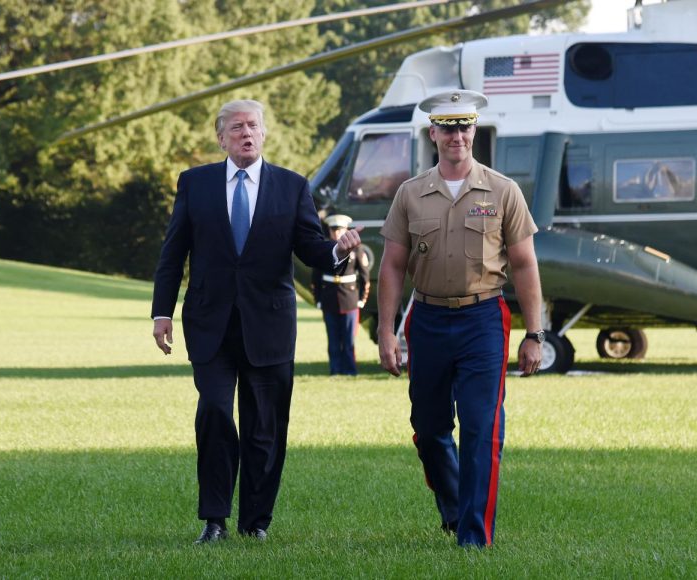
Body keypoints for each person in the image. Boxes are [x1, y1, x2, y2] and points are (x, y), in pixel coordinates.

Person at [151, 99, 362, 544]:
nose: (246, 133)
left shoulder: (291, 186)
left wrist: (339, 251)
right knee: (213, 411)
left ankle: (256, 523)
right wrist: (161, 312)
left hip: (269, 325)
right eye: (236, 127)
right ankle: (214, 519)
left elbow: (310, 248)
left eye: (253, 126)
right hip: (210, 324)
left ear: (264, 134)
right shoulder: (196, 184)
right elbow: (173, 253)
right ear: (221, 137)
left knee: (265, 427)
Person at [376, 90, 544, 548]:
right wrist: (386, 330)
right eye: (446, 127)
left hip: (483, 319)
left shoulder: (503, 190)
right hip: (427, 320)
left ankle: (474, 535)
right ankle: (454, 507)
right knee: (429, 431)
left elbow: (525, 264)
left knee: (480, 428)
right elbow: (391, 265)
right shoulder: (410, 194)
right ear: (432, 133)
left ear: (474, 131)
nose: (456, 135)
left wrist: (535, 333)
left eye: (464, 126)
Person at [310, 214, 371, 375]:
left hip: (350, 300)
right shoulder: (324, 249)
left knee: (349, 339)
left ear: (346, 230)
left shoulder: (357, 249)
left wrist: (361, 300)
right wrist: (318, 299)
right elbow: (315, 278)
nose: (337, 234)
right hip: (329, 300)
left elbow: (364, 276)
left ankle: (350, 369)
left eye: (340, 230)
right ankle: (335, 370)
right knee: (333, 339)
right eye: (333, 230)